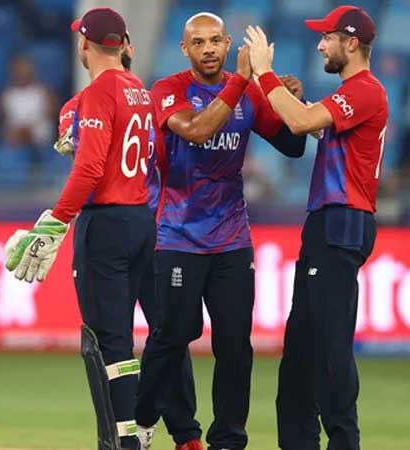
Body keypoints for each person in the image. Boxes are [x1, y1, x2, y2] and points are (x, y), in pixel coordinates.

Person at [134, 12, 307, 450]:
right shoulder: (167, 90)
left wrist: (292, 101)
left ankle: (228, 440)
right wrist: (244, 80)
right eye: (199, 42)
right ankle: (143, 419)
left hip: (232, 241)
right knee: (173, 336)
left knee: (235, 347)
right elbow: (196, 130)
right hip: (178, 237)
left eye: (215, 40)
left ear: (228, 44)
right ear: (184, 49)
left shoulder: (247, 92)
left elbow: (293, 145)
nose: (208, 49)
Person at [7, 8, 159, 450]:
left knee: (107, 341)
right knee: (130, 338)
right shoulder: (139, 90)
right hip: (140, 218)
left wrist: (56, 222)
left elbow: (89, 168)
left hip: (106, 223)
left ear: (85, 44)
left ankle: (122, 441)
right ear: (122, 45)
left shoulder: (98, 93)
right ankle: (139, 431)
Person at [244, 6, 388, 450]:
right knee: (301, 355)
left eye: (328, 37)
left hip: (342, 222)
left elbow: (302, 122)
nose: (321, 46)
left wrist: (265, 73)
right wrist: (288, 98)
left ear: (351, 43)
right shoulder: (350, 94)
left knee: (327, 347)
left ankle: (344, 441)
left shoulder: (366, 90)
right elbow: (309, 121)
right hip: (328, 223)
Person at [53, 33, 202, 450]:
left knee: (145, 335)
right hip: (145, 226)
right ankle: (167, 431)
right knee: (158, 333)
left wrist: (54, 222)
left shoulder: (120, 99)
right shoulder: (128, 99)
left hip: (137, 227)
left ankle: (152, 431)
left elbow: (91, 164)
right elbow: (84, 152)